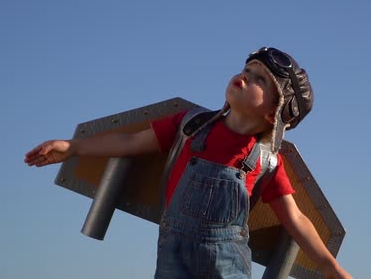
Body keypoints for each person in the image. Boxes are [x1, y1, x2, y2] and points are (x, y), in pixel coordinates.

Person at [25, 47, 352, 279]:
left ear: (275, 114)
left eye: (259, 80)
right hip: (173, 259)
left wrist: (329, 267)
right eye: (245, 70)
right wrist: (73, 146)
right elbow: (129, 143)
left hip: (229, 265)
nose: (243, 77)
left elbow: (295, 219)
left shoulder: (267, 161)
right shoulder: (189, 125)